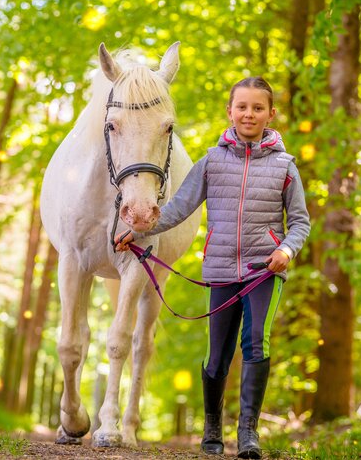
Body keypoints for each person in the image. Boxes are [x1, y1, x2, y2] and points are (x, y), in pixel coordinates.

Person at [114, 77, 310, 459]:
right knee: (217, 353)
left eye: (257, 108)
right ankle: (213, 428)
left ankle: (248, 434)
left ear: (271, 114)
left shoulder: (286, 167)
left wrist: (286, 249)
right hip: (220, 268)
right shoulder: (211, 162)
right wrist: (138, 233)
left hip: (263, 271)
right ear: (230, 112)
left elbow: (300, 221)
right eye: (242, 107)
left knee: (256, 343)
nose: (249, 114)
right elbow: (175, 209)